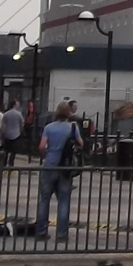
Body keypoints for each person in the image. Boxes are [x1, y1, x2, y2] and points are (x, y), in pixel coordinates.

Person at [35, 103, 82, 243]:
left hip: (49, 164)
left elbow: (42, 146)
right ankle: (61, 234)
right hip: (65, 167)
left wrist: (47, 153)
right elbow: (81, 144)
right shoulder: (73, 127)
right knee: (63, 200)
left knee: (44, 199)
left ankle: (41, 232)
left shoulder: (49, 127)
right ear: (68, 113)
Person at [0, 100, 24, 165]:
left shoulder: (6, 114)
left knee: (6, 150)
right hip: (16, 134)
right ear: (14, 105)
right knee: (13, 151)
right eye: (17, 104)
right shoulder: (19, 114)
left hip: (7, 134)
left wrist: (2, 134)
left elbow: (3, 125)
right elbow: (22, 123)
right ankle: (11, 163)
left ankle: (4, 163)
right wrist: (20, 131)